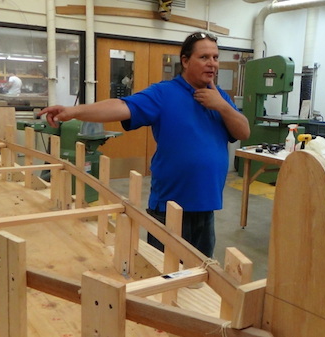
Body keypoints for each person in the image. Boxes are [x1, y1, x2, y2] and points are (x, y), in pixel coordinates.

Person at [39, 31, 250, 258]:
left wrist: (222, 106)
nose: (212, 64)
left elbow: (244, 132)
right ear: (186, 61)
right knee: (163, 276)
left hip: (206, 207)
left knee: (199, 281)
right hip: (169, 208)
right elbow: (120, 106)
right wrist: (73, 111)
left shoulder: (219, 97)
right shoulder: (164, 93)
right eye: (204, 57)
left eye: (215, 57)